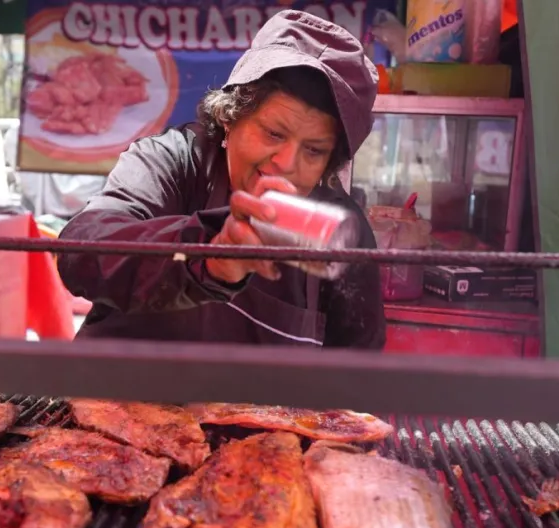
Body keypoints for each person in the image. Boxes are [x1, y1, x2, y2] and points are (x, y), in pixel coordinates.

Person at [58, 10, 385, 349]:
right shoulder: (171, 162)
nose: (287, 163)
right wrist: (210, 258)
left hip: (256, 403)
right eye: (273, 133)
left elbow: (357, 371)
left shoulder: (341, 231)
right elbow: (80, 254)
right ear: (230, 117)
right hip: (115, 397)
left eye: (314, 151)